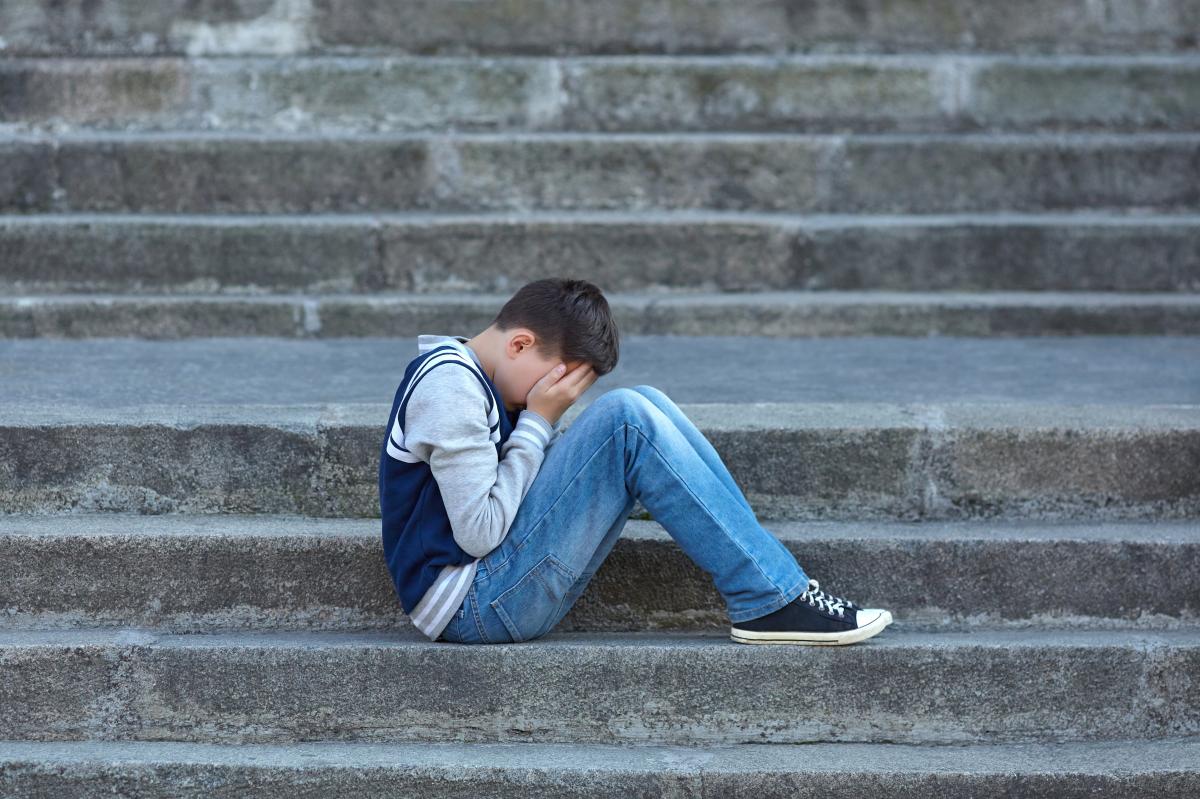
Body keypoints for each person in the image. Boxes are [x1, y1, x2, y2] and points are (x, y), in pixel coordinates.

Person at [378, 277, 893, 646]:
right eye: (560, 381)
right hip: (470, 605)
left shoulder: (479, 381)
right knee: (626, 417)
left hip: (497, 587)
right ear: (520, 344)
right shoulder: (450, 387)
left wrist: (538, 421)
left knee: (647, 401)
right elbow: (480, 532)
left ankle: (774, 584)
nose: (560, 397)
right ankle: (770, 597)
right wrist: (538, 422)